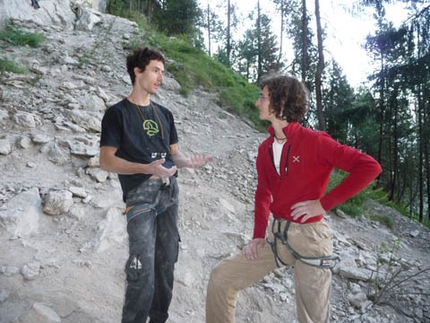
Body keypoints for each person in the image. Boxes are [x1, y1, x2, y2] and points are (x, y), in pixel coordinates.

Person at [206, 74, 382, 323]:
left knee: (312, 319)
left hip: (311, 239)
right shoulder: (265, 148)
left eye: (263, 97)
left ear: (281, 101)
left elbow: (369, 167)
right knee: (222, 277)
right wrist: (257, 236)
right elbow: (263, 193)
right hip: (277, 237)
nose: (258, 103)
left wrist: (323, 204)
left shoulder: (316, 141)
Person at [99, 47, 212, 323]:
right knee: (142, 268)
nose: (161, 77)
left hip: (169, 194)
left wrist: (187, 162)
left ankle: (159, 318)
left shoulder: (165, 114)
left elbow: (174, 154)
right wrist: (145, 168)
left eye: (162, 71)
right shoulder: (117, 114)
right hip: (140, 198)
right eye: (155, 70)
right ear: (137, 72)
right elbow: (106, 161)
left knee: (166, 263)